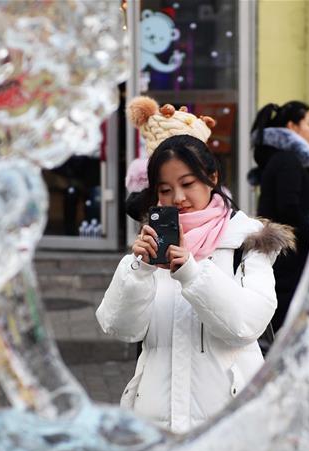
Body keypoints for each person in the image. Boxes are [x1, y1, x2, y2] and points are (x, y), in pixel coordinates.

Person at [96, 129, 293, 434]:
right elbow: (121, 328)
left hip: (229, 426)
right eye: (164, 189)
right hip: (156, 426)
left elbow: (245, 325)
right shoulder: (151, 248)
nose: (177, 198)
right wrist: (139, 270)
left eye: (187, 184)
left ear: (212, 177)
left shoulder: (248, 242)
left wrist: (191, 271)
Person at [248, 100, 309, 333]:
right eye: (308, 123)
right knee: (287, 319)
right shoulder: (288, 161)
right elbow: (289, 207)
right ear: (292, 126)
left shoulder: (284, 160)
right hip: (291, 255)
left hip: (288, 252)